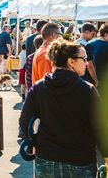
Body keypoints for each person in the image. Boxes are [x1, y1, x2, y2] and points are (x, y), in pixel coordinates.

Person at [20, 39, 108, 178]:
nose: (86, 63)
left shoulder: (38, 87)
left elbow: (24, 122)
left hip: (46, 158)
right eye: (84, 58)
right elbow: (100, 127)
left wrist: (37, 142)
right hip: (80, 160)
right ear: (71, 61)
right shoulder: (87, 90)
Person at [87, 23, 108, 89]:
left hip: (90, 79)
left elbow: (88, 65)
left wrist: (95, 80)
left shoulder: (89, 44)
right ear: (105, 34)